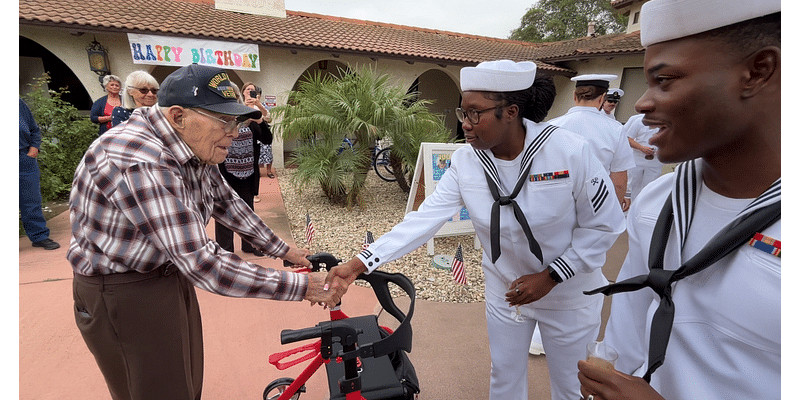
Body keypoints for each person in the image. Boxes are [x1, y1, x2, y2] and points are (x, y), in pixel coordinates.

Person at [326, 60, 626, 400]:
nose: (465, 125)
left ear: (510, 111)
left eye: (475, 114)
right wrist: (361, 262)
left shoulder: (569, 151)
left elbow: (605, 225)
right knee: (504, 376)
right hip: (505, 288)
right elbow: (425, 219)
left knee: (571, 386)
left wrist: (551, 277)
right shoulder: (467, 162)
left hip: (569, 292)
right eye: (462, 113)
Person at [68, 64, 342, 400]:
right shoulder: (140, 158)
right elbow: (203, 263)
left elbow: (225, 201)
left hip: (164, 275)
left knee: (183, 381)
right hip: (123, 292)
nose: (236, 132)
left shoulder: (185, 143)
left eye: (238, 121)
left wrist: (283, 249)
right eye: (225, 121)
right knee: (157, 391)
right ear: (179, 116)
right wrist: (303, 286)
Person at [577, 1, 780, 399]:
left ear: (757, 72)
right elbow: (629, 336)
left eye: (665, 80)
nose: (641, 103)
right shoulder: (659, 201)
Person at [548, 75, 635, 211]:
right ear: (602, 98)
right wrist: (613, 212)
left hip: (555, 202)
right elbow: (618, 180)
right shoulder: (616, 129)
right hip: (596, 202)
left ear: (574, 96)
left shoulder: (551, 126)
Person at [214, 81, 272, 257]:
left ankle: (249, 246)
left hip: (247, 174)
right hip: (225, 173)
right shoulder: (220, 116)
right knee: (224, 211)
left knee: (247, 211)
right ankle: (225, 250)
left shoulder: (249, 116)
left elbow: (267, 139)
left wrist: (258, 119)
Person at [19, 97, 60, 251]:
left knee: (31, 200)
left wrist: (34, 148)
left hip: (23, 157)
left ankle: (39, 236)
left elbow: (33, 128)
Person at [622, 113, 663, 203]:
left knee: (651, 187)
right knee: (632, 184)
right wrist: (641, 148)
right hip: (638, 157)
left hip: (655, 160)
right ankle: (629, 209)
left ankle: (644, 208)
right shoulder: (639, 121)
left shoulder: (668, 122)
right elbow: (627, 138)